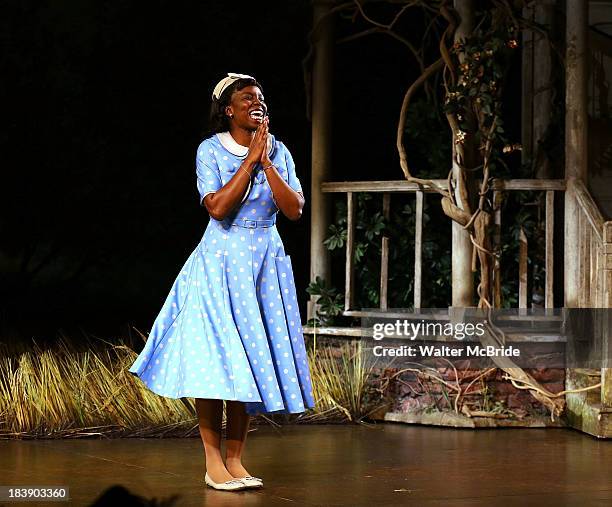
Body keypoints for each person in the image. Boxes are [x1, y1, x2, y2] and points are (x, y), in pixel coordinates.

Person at [128, 72, 315, 492]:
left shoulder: (279, 151)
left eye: (261, 97)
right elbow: (217, 208)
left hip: (264, 265)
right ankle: (213, 463)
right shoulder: (210, 151)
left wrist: (265, 160)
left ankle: (236, 459)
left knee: (248, 362)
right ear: (228, 110)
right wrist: (248, 162)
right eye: (247, 97)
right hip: (219, 263)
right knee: (216, 363)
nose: (257, 102)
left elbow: (294, 210)